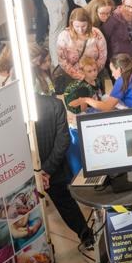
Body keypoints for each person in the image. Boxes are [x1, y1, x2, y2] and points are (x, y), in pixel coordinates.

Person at [34, 91, 91, 246]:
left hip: (27, 174)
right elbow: (63, 140)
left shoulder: (10, 112)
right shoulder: (55, 104)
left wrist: (38, 172)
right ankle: (86, 237)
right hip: (55, 169)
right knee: (66, 204)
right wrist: (47, 170)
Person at [55, 8, 107, 87]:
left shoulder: (96, 33)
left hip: (95, 75)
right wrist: (77, 75)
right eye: (77, 26)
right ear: (71, 23)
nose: (80, 30)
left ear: (89, 23)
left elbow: (103, 55)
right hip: (73, 77)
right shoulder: (64, 36)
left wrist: (93, 73)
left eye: (84, 26)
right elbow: (62, 60)